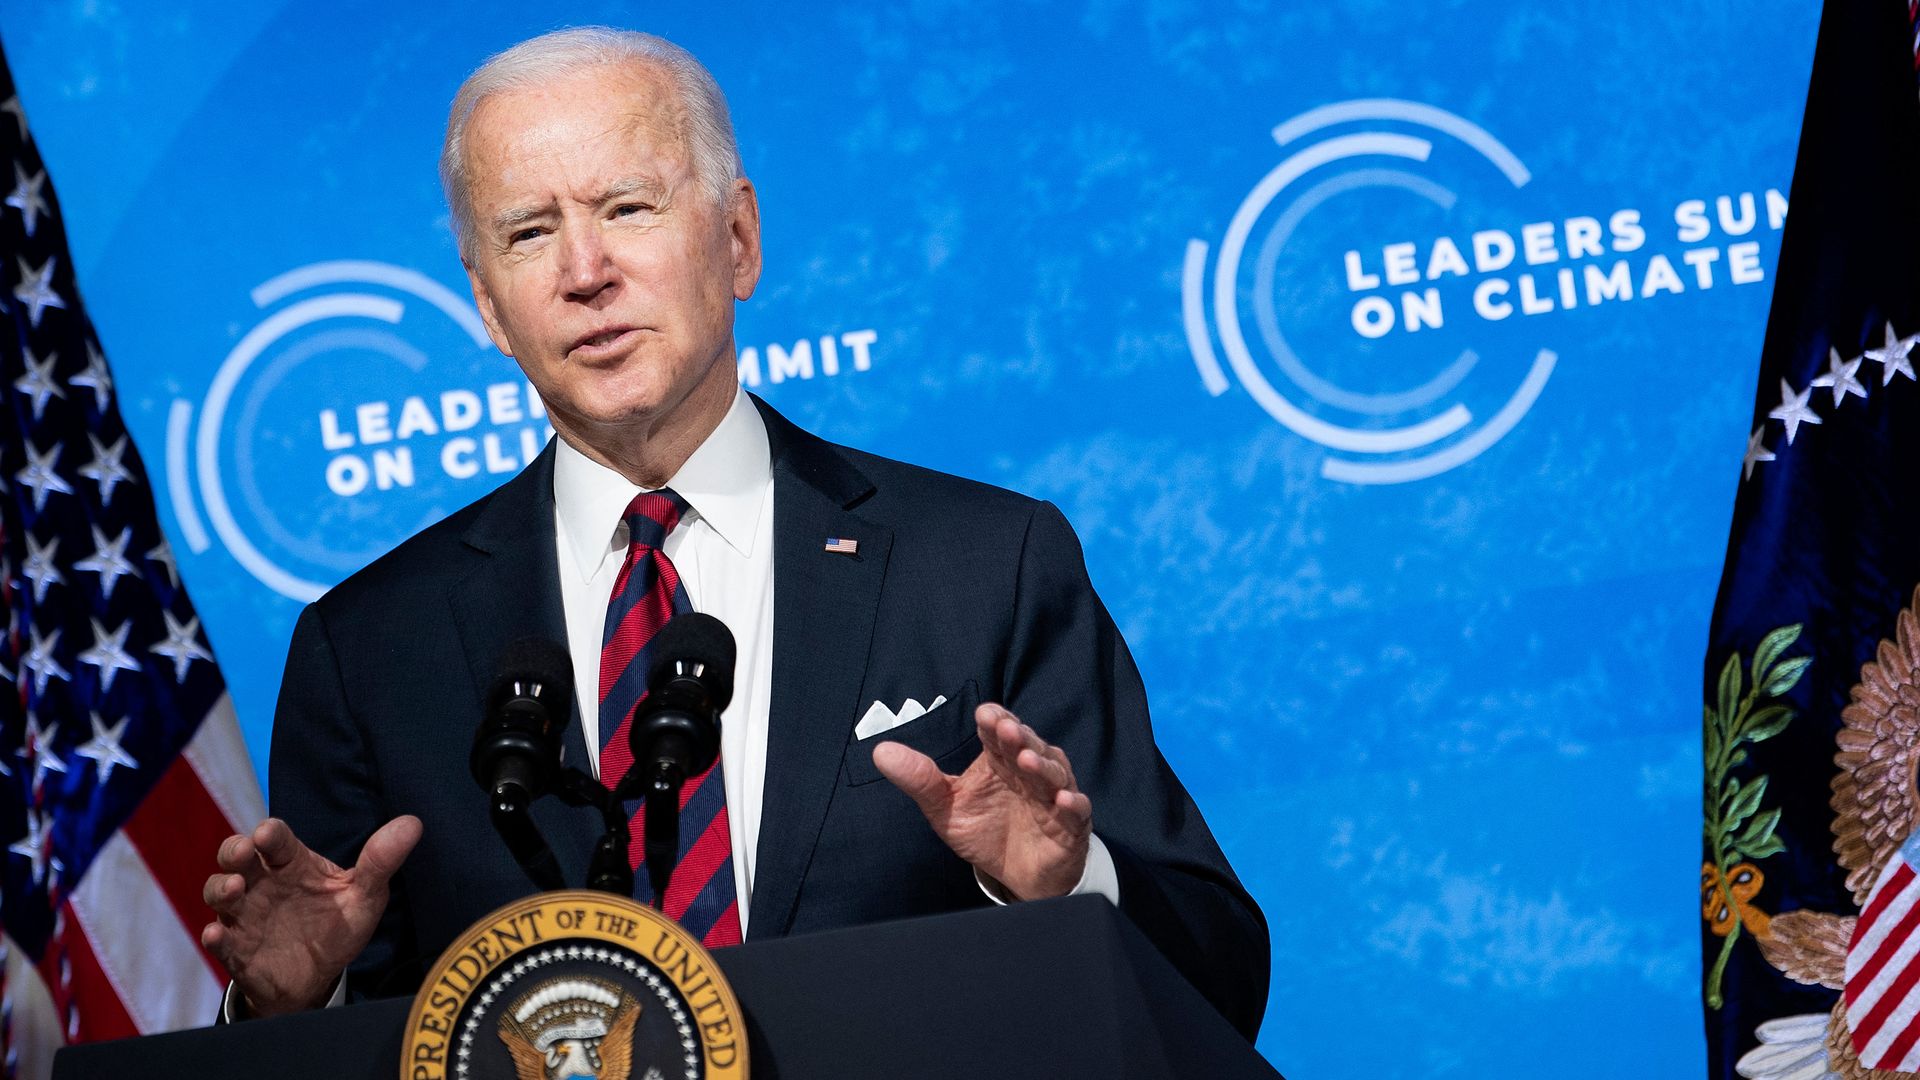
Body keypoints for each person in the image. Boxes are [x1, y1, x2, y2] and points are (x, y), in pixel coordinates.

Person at [200, 26, 1268, 1039]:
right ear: (487, 305)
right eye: (531, 232)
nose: (584, 272)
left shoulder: (983, 564)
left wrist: (1058, 886)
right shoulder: (372, 646)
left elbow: (1218, 973)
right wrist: (299, 999)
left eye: (627, 208)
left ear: (740, 239)